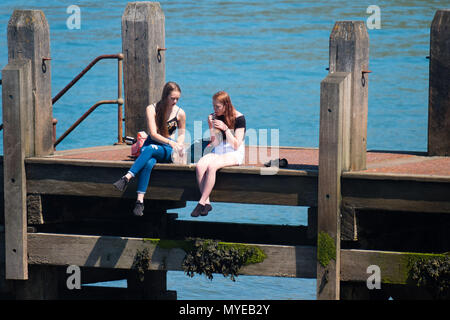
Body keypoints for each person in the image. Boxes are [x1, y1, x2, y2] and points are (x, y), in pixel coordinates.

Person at [113, 81, 186, 216]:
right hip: (151, 144)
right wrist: (172, 143)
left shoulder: (180, 113)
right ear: (165, 96)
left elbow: (181, 134)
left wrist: (177, 144)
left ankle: (127, 177)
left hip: (168, 148)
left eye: (177, 99)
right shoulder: (151, 109)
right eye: (172, 98)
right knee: (148, 162)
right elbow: (153, 134)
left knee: (150, 150)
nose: (175, 101)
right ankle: (140, 201)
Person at [191, 91, 246, 217]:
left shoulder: (239, 118)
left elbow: (236, 144)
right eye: (213, 106)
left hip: (234, 153)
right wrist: (211, 126)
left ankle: (200, 202)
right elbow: (215, 143)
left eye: (217, 106)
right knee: (200, 166)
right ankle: (207, 203)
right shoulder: (216, 116)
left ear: (226, 105)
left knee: (212, 166)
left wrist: (225, 128)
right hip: (219, 150)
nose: (215, 109)